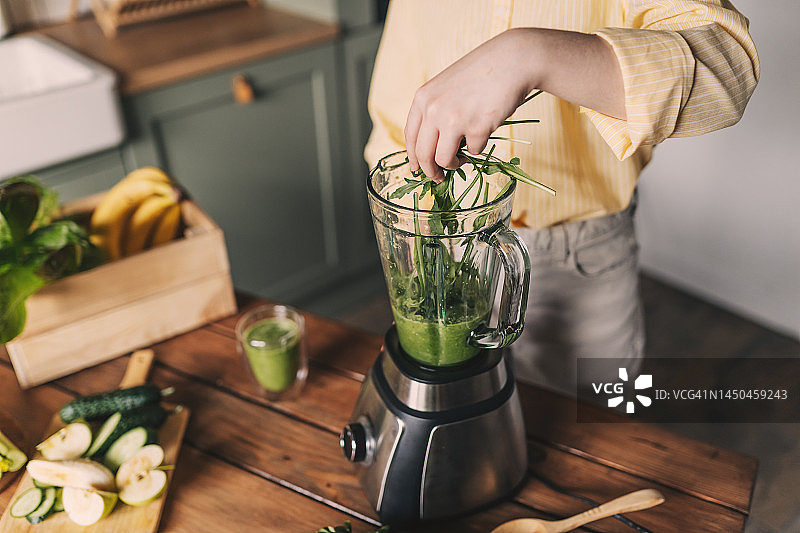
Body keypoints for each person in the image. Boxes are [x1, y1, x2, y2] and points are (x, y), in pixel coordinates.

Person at [364, 0, 760, 395]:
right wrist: (416, 237)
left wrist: (530, 54)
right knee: (463, 426)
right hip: (447, 251)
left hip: (580, 261)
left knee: (583, 437)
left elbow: (725, 71)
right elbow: (395, 118)